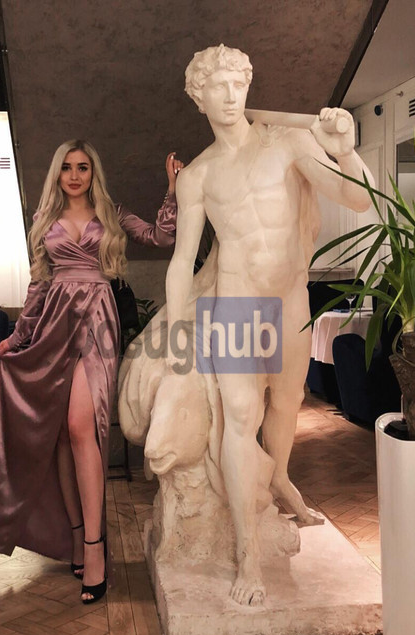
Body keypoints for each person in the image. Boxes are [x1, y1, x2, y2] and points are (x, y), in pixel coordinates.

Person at [165, 44, 372, 606]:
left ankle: (277, 477)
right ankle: (247, 553)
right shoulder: (198, 176)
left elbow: (357, 198)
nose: (232, 96)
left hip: (289, 301)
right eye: (219, 86)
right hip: (237, 304)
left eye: (239, 84)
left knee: (286, 404)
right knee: (240, 417)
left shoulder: (289, 144)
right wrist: (179, 330)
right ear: (199, 97)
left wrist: (347, 153)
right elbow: (182, 261)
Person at [0, 139, 183, 604]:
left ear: (93, 172)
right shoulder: (44, 219)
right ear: (58, 173)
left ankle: (94, 549)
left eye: (83, 167)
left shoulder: (110, 212)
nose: (74, 175)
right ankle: (75, 537)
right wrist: (17, 337)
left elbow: (161, 238)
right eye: (67, 167)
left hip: (97, 320)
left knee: (79, 426)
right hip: (53, 324)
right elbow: (38, 285)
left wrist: (172, 191)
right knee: (61, 436)